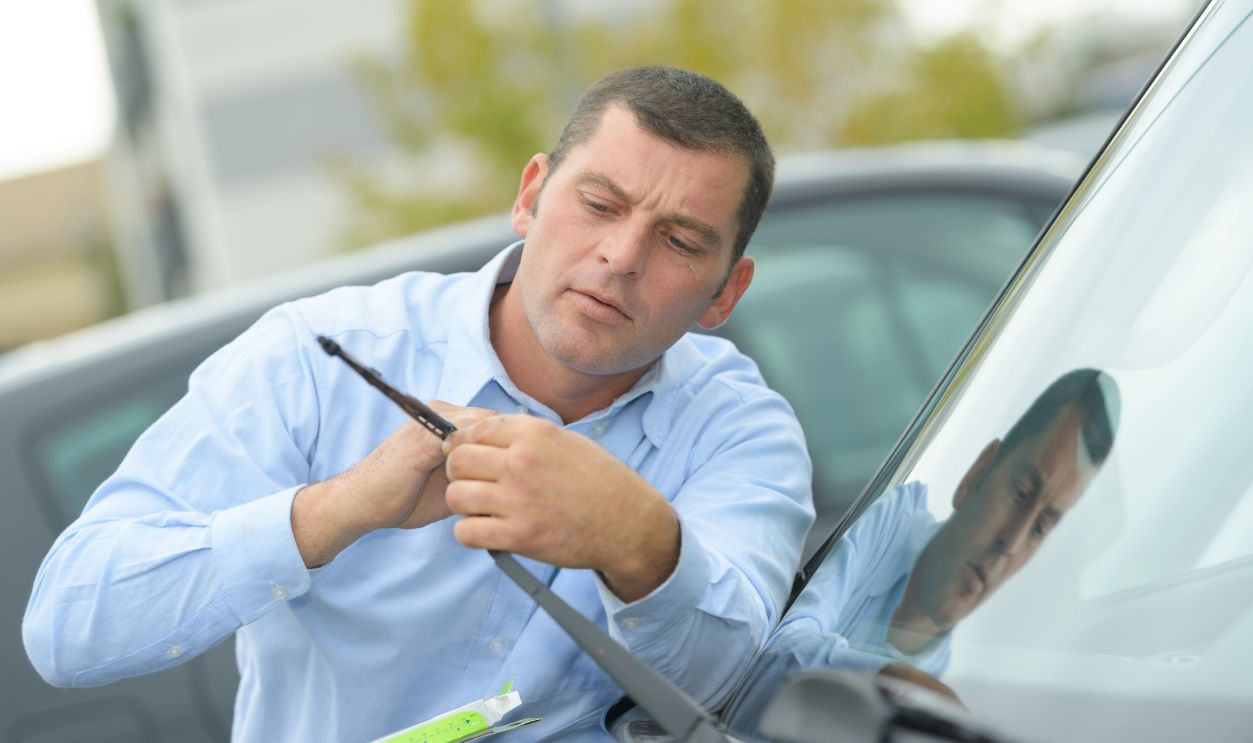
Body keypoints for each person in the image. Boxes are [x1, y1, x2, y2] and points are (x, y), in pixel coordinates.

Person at [23, 67, 814, 742]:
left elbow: (731, 682)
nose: (619, 257)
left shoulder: (739, 428)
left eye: (678, 242)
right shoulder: (319, 355)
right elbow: (70, 625)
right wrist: (337, 511)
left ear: (725, 294)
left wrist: (636, 538)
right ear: (530, 196)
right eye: (599, 205)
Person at [722, 369, 1119, 730]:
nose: (1011, 544)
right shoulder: (891, 517)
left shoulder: (978, 668)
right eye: (1020, 491)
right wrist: (900, 685)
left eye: (1041, 526)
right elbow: (767, 667)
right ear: (976, 475)